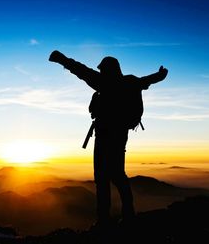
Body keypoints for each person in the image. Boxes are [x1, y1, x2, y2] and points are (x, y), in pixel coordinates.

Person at [49, 50, 168, 227]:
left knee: (102, 179)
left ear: (107, 70)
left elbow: (80, 70)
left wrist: (62, 59)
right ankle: (128, 214)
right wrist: (160, 75)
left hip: (104, 136)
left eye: (103, 69)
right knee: (118, 175)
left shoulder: (103, 82)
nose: (101, 72)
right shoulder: (130, 82)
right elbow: (148, 80)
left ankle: (104, 220)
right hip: (120, 136)